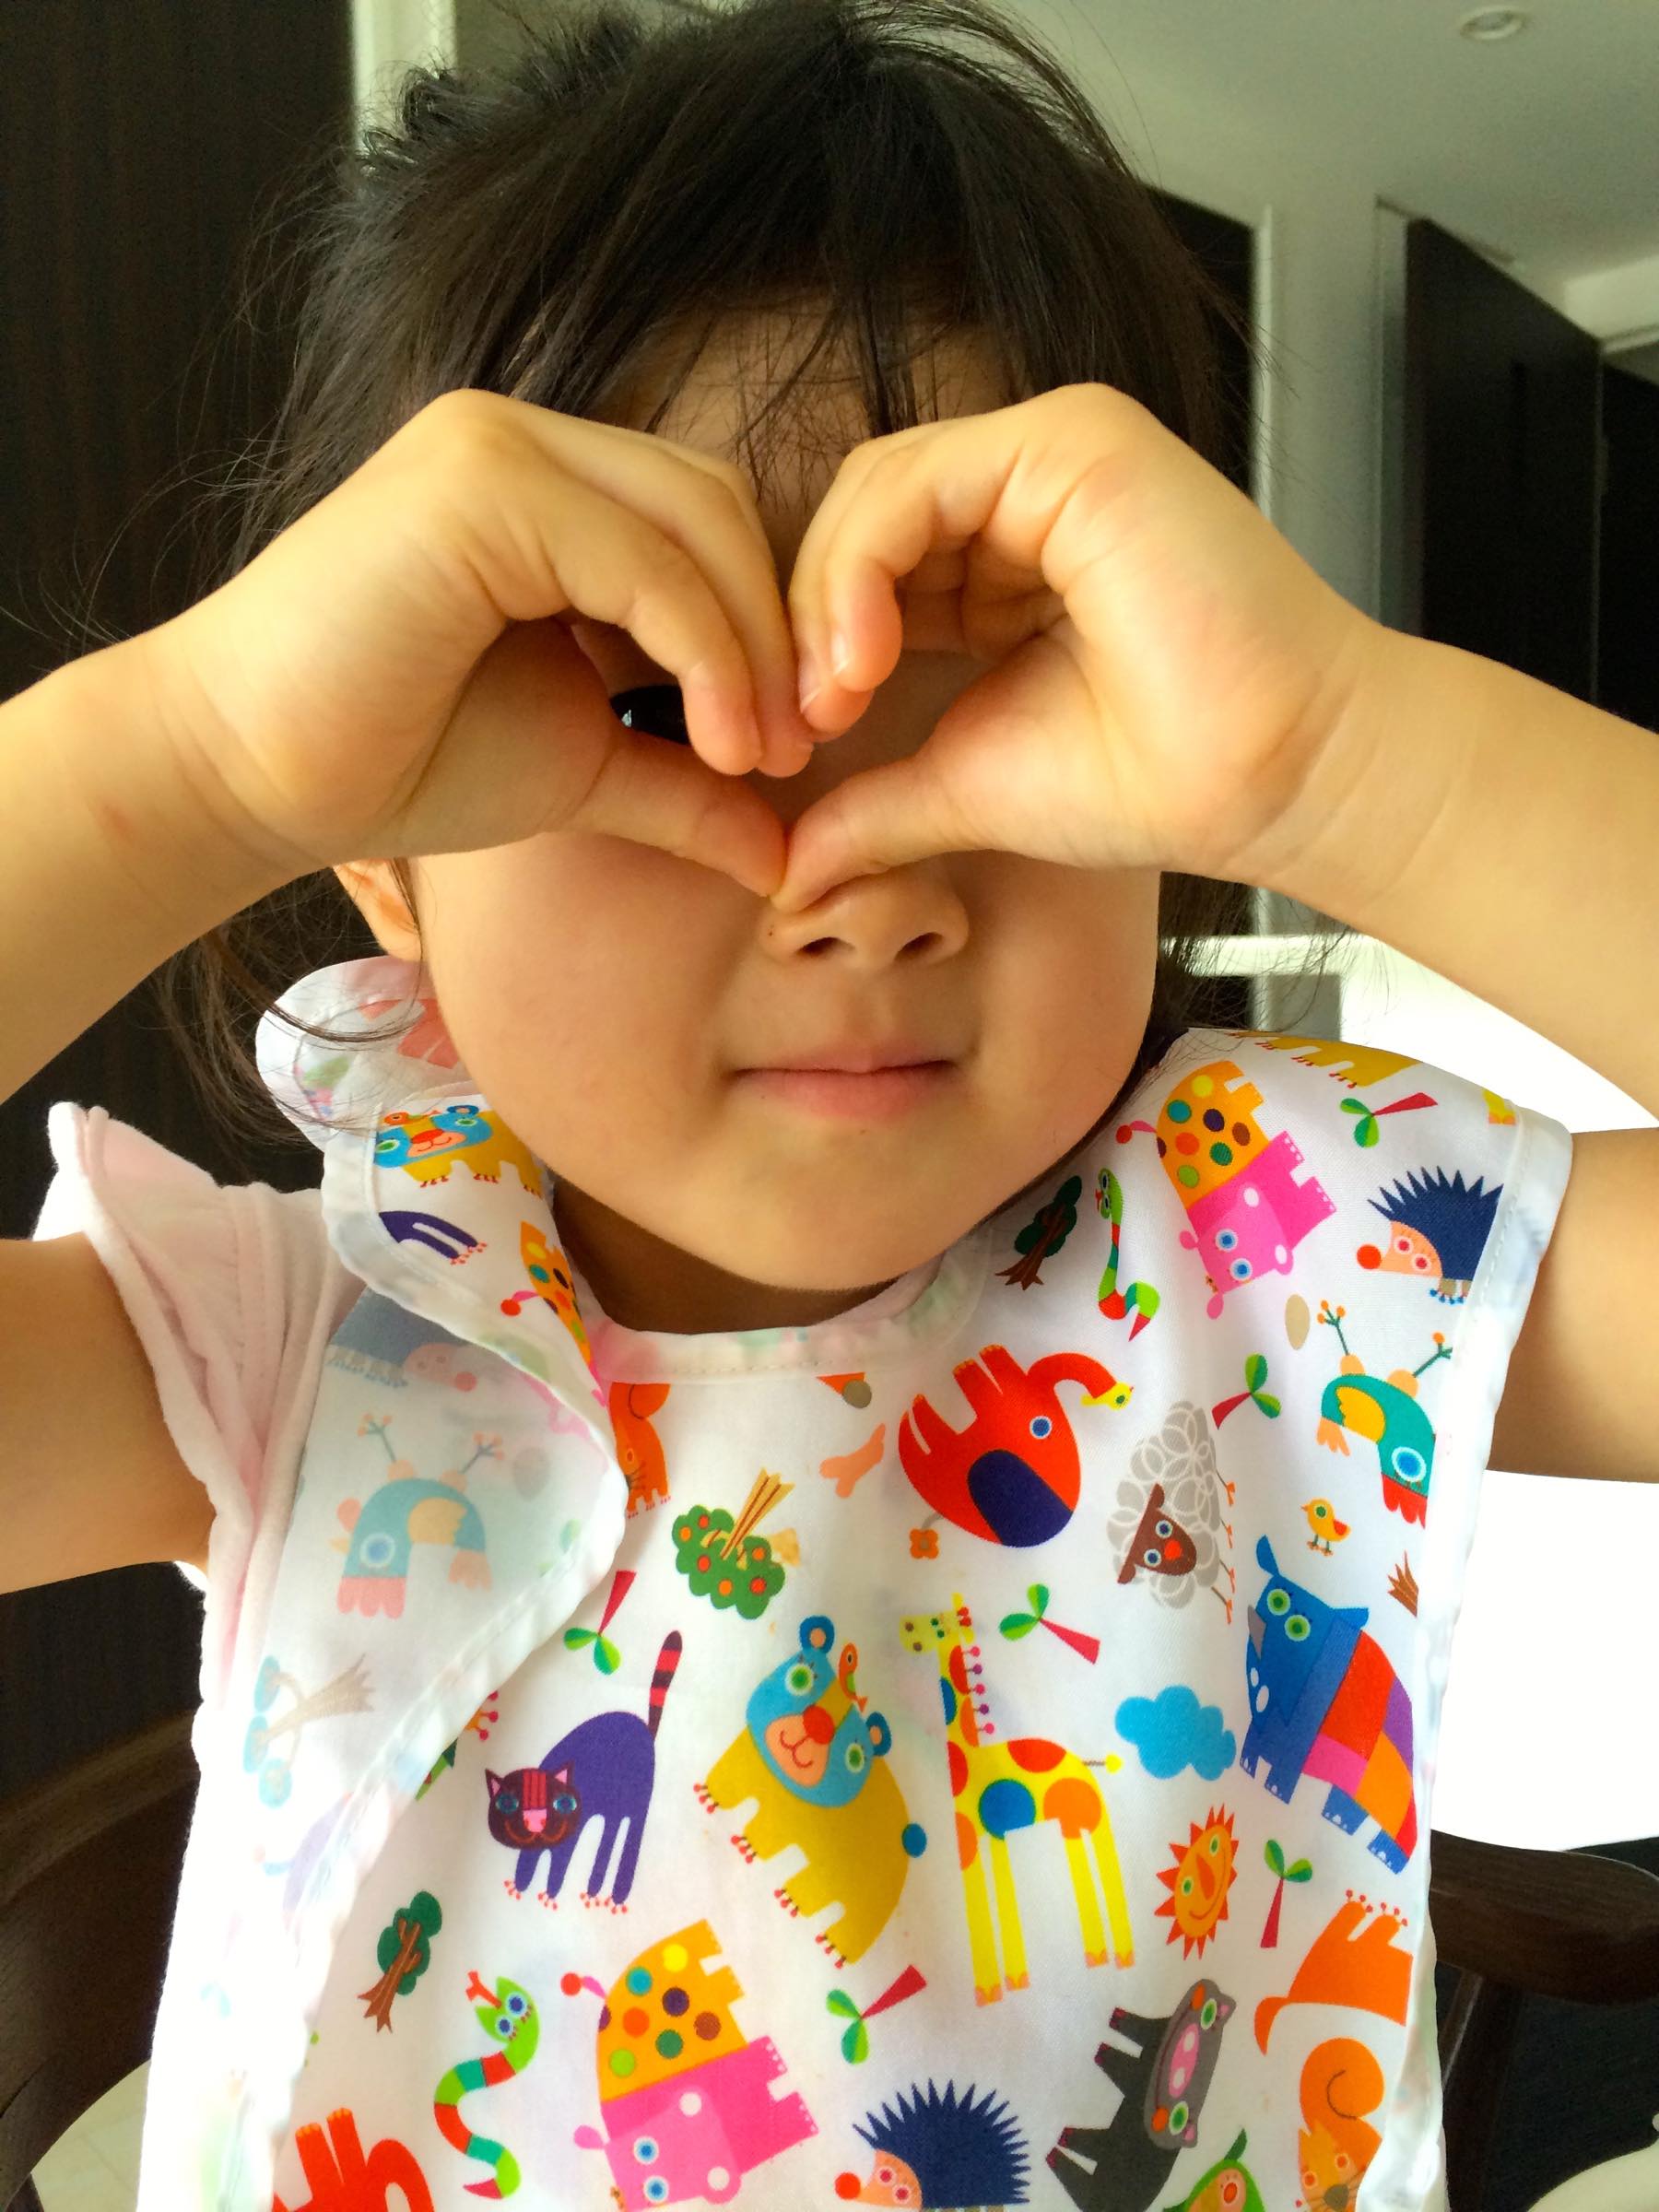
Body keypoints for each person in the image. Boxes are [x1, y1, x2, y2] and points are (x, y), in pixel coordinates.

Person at [3, 3, 1653, 2208]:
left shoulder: (1296, 1255)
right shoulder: (285, 1345)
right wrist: (190, 762)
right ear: (384, 846)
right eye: (653, 708)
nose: (859, 879)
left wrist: (1346, 753)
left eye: (999, 684)